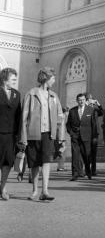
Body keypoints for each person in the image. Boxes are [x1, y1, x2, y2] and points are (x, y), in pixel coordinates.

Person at [20, 67, 64, 202]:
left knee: (46, 161)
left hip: (48, 134)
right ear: (46, 78)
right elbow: (24, 117)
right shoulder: (31, 94)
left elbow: (60, 118)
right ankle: (34, 190)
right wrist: (23, 138)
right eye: (53, 78)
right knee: (34, 163)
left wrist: (61, 138)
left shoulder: (54, 96)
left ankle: (45, 190)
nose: (54, 81)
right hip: (33, 133)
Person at [0, 68, 22, 200]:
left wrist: (19, 135)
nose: (15, 81)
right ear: (4, 79)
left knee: (8, 161)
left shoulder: (17, 94)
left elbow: (18, 115)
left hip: (11, 134)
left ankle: (3, 187)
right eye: (13, 79)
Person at [66, 93, 98, 181]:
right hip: (75, 137)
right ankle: (75, 174)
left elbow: (94, 125)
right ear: (77, 101)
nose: (81, 102)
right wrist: (71, 133)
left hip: (87, 137)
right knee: (75, 156)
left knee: (86, 156)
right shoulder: (72, 111)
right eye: (80, 100)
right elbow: (68, 124)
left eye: (83, 100)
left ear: (85, 100)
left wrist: (93, 136)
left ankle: (88, 172)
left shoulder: (91, 110)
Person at [85, 93, 103, 176]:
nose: (91, 100)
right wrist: (87, 104)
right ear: (86, 100)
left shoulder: (95, 109)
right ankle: (87, 169)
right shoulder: (84, 108)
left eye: (91, 98)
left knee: (94, 152)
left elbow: (102, 112)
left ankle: (93, 170)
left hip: (95, 133)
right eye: (89, 99)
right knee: (86, 152)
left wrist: (98, 104)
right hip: (87, 133)